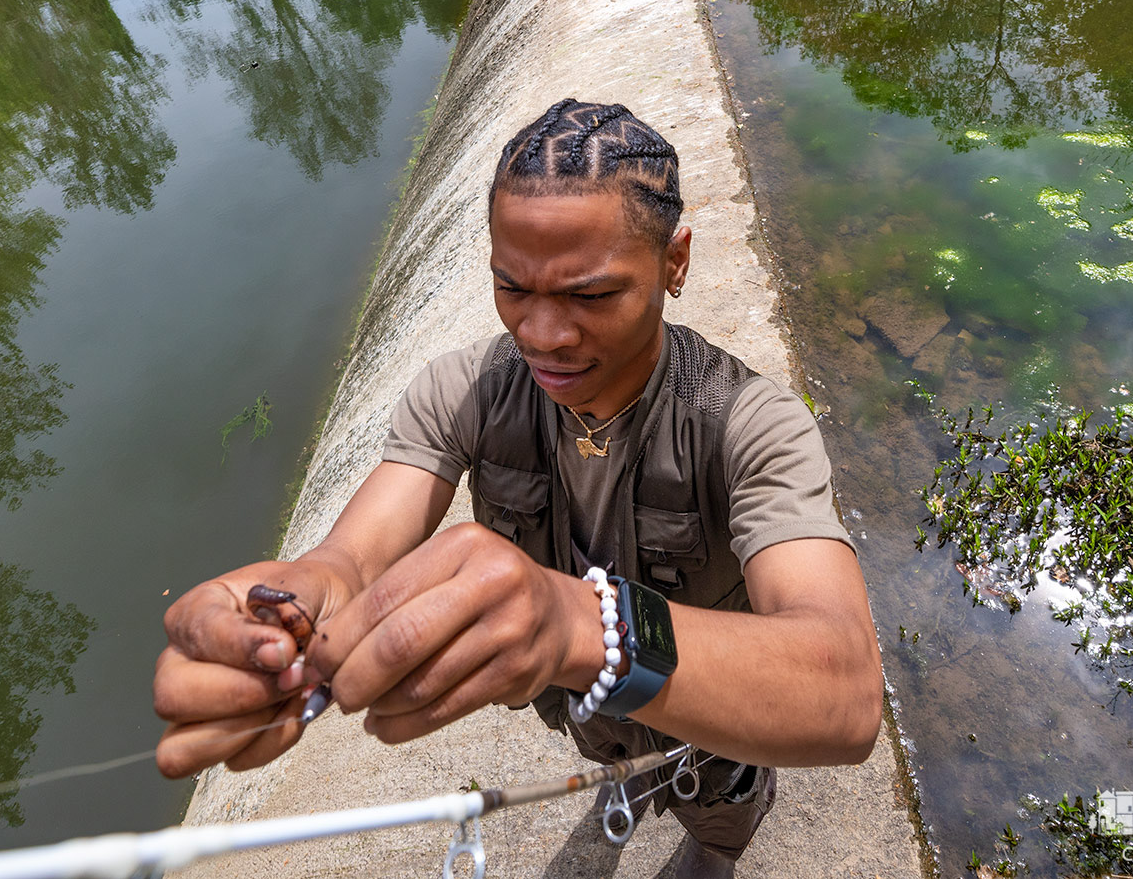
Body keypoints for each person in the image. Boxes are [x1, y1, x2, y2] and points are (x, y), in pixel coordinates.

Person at [153, 99, 884, 878]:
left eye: (590, 295)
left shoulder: (751, 426)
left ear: (675, 262)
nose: (541, 334)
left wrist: (581, 625)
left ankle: (712, 849)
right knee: (612, 752)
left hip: (716, 729)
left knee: (717, 818)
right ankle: (630, 785)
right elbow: (345, 564)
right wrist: (289, 612)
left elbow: (843, 691)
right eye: (513, 288)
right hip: (588, 718)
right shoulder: (462, 392)